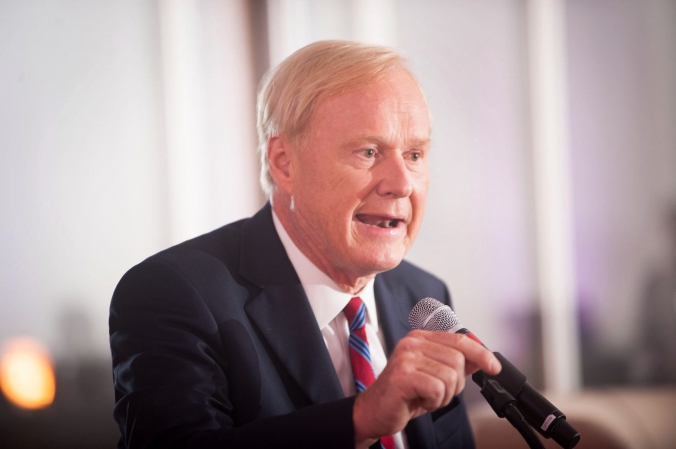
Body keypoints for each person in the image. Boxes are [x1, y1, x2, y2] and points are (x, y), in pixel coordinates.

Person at [109, 40, 500, 449]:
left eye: (415, 154)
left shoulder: (424, 298)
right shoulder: (173, 292)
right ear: (284, 163)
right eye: (369, 151)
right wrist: (360, 418)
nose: (402, 183)